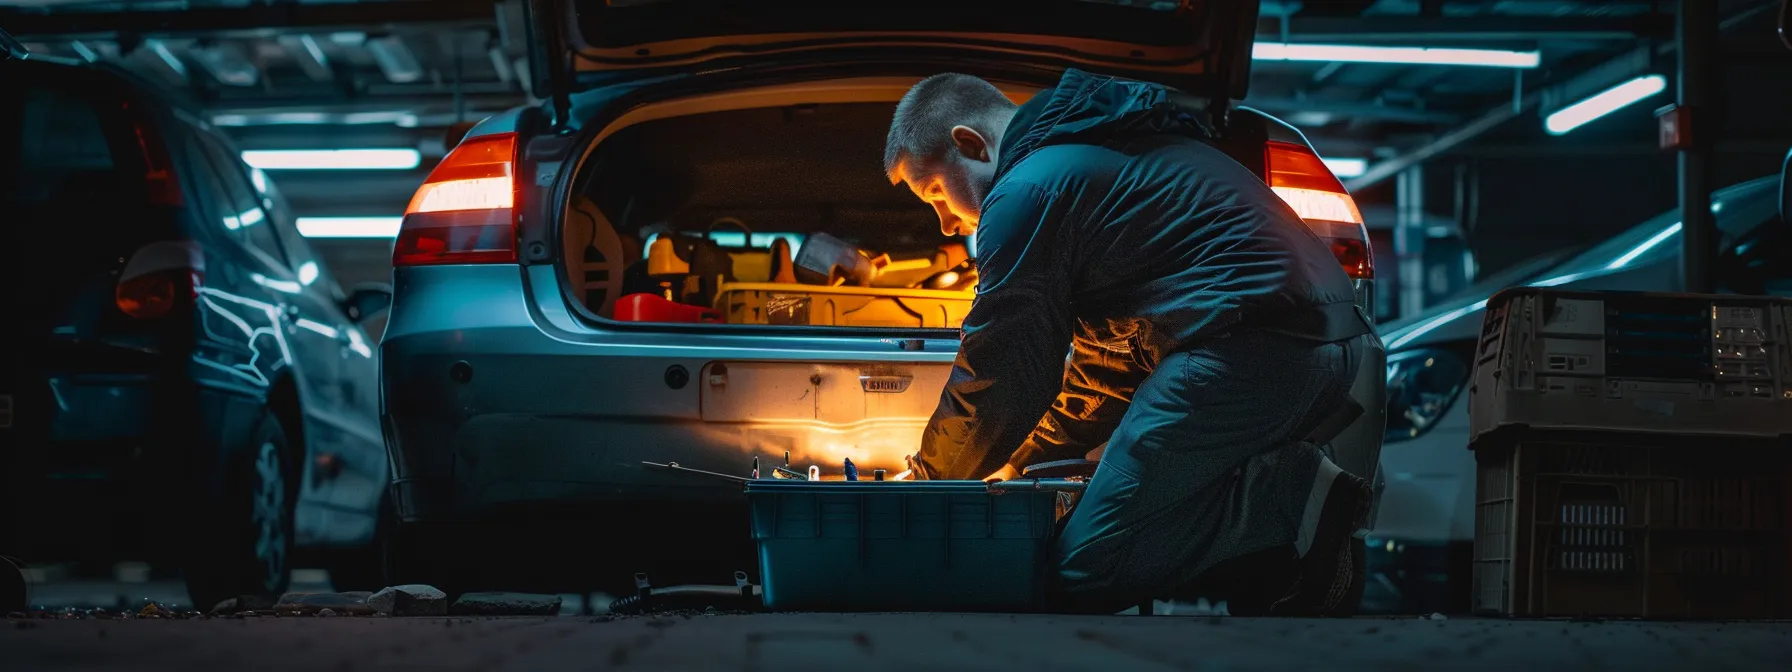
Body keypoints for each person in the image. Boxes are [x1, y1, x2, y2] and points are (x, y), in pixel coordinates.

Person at [885, 69, 1382, 616]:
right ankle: (1288, 542)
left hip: (1247, 352)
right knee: (1108, 530)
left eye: (934, 192)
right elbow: (1104, 369)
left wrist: (929, 479)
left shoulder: (1027, 189)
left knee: (1082, 572)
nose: (945, 224)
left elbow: (1004, 361)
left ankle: (1290, 493)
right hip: (1317, 349)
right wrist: (1021, 463)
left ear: (970, 143)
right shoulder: (1095, 161)